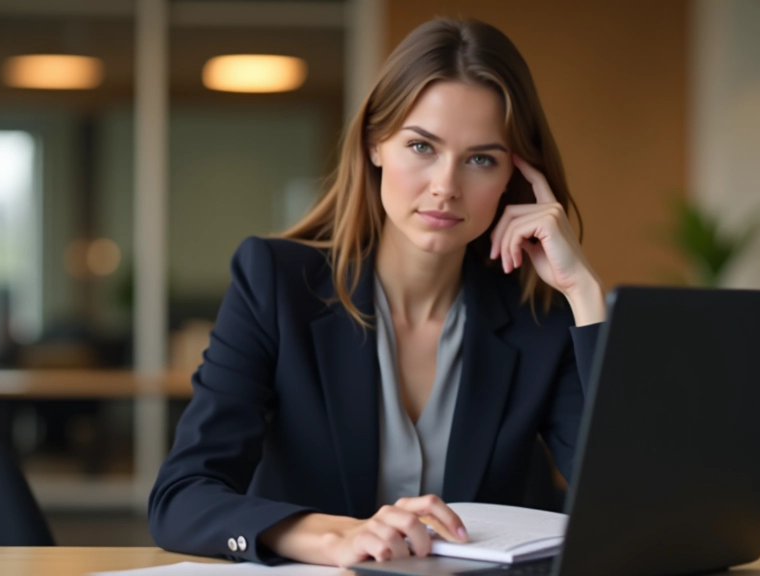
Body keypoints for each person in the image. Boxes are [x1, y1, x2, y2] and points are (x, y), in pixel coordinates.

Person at [148, 17, 606, 568]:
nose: (446, 185)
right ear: (374, 143)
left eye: (481, 158)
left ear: (515, 176)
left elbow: (631, 507)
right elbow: (181, 497)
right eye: (421, 146)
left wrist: (583, 294)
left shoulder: (539, 318)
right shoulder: (275, 283)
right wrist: (331, 537)